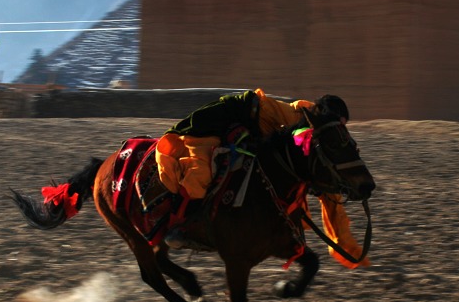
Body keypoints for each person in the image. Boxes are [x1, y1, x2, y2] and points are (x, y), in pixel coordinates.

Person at [155, 88, 369, 268]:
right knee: (201, 168)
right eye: (338, 122)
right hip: (232, 115)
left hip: (251, 131)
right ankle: (180, 225)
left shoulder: (312, 126)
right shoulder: (304, 121)